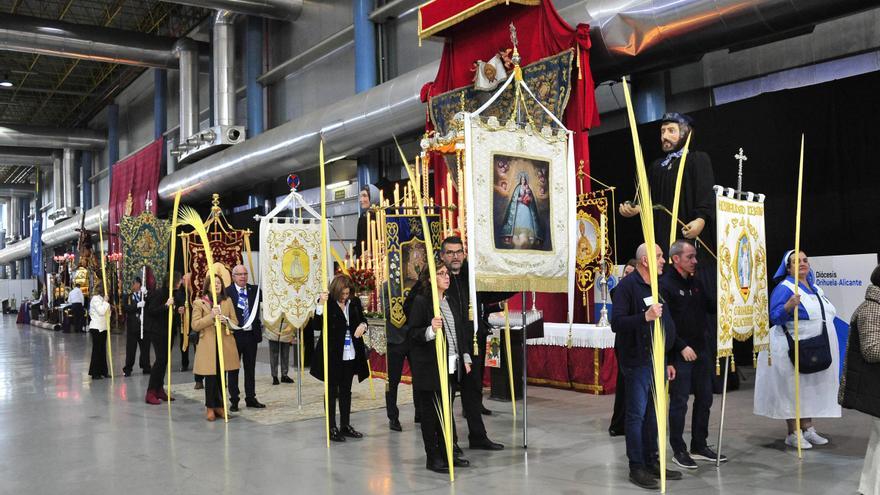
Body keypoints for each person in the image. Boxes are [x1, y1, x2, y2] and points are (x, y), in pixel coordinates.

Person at [611, 243, 682, 489]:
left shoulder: (657, 286)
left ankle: (653, 461)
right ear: (645, 260)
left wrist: (669, 359)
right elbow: (617, 323)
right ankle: (637, 466)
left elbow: (666, 324)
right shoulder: (626, 288)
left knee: (654, 414)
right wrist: (644, 317)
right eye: (660, 257)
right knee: (636, 415)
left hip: (658, 359)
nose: (664, 261)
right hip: (638, 361)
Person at [754, 250, 841, 448]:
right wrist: (788, 306)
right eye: (796, 262)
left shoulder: (816, 288)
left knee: (808, 388)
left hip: (814, 347)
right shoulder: (785, 289)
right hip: (791, 348)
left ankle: (807, 428)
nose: (802, 264)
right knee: (791, 390)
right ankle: (793, 432)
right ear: (788, 267)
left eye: (804, 260)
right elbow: (774, 318)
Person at [660, 240, 726, 467]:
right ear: (676, 258)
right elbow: (665, 323)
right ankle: (678, 449)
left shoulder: (696, 282)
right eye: (690, 257)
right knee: (679, 401)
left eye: (695, 256)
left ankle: (699, 444)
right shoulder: (665, 285)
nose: (695, 261)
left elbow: (710, 307)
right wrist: (680, 346)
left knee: (705, 398)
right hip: (679, 352)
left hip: (701, 349)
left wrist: (729, 298)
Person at [441, 235, 507, 450]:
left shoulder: (474, 275)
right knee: (448, 394)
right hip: (449, 344)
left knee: (473, 390)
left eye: (459, 251)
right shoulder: (438, 278)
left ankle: (477, 436)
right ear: (443, 256)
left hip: (473, 343)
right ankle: (449, 443)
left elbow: (491, 293)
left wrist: (519, 280)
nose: (455, 256)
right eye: (450, 252)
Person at [407, 265, 471, 473]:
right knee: (431, 414)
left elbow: (457, 332)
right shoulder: (422, 302)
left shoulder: (449, 301)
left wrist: (465, 357)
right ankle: (433, 457)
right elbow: (413, 333)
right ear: (430, 278)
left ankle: (448, 453)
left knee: (446, 411)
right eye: (441, 274)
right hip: (430, 367)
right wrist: (430, 330)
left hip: (451, 365)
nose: (447, 277)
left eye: (447, 274)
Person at [310, 274, 370, 442]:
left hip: (350, 353)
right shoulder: (327, 303)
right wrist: (320, 304)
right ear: (335, 291)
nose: (345, 297)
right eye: (342, 294)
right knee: (331, 391)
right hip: (332, 354)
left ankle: (345, 425)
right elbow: (316, 325)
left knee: (346, 390)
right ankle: (331, 427)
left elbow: (364, 320)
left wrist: (362, 326)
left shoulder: (354, 302)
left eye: (347, 294)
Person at [840, 265, 880, 495]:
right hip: (874, 387)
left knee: (878, 442)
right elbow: (872, 350)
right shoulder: (872, 309)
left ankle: (870, 488)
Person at [191, 274, 240, 421]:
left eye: (219, 283)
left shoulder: (227, 301)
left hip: (224, 344)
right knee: (210, 378)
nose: (217, 285)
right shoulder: (199, 303)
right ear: (208, 286)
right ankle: (210, 407)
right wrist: (211, 316)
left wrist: (225, 320)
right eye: (214, 283)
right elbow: (195, 325)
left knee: (220, 377)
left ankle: (220, 406)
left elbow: (235, 322)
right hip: (208, 346)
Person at [225, 264, 265, 410]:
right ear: (233, 276)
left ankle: (250, 397)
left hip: (251, 336)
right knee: (233, 368)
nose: (243, 277)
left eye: (245, 274)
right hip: (234, 336)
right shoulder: (227, 292)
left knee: (250, 368)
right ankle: (234, 400)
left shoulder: (254, 290)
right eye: (239, 274)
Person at [384, 278, 419, 431]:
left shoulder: (417, 284)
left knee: (419, 377)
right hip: (395, 338)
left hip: (414, 337)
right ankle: (393, 416)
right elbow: (387, 311)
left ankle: (420, 412)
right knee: (393, 381)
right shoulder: (387, 286)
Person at [609, 258, 639, 437]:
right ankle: (619, 423)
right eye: (624, 273)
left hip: (638, 344)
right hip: (624, 345)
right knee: (623, 386)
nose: (626, 276)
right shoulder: (619, 291)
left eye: (630, 273)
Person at [144, 274, 173, 405]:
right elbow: (152, 310)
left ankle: (159, 388)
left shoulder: (173, 293)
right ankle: (150, 391)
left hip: (168, 331)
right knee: (160, 360)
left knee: (164, 361)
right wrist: (166, 306)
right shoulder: (159, 293)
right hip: (157, 332)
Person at [500, 172, 543, 249]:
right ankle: (513, 236)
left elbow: (530, 198)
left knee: (527, 219)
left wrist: (528, 199)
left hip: (526, 206)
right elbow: (514, 197)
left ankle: (529, 236)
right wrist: (518, 199)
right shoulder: (518, 188)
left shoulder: (528, 188)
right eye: (522, 179)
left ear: (525, 180)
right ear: (520, 180)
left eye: (524, 179)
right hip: (519, 206)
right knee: (518, 220)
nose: (523, 180)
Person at [122, 277, 151, 377]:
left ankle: (146, 366)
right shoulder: (128, 296)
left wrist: (146, 294)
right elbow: (125, 308)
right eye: (133, 284)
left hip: (144, 326)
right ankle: (128, 369)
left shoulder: (144, 295)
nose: (134, 285)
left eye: (135, 283)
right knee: (131, 349)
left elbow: (151, 303)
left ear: (139, 284)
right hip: (132, 327)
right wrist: (137, 306)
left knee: (145, 348)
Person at [87, 280, 111, 380]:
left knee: (102, 350)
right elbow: (101, 311)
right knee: (97, 350)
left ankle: (103, 371)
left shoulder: (102, 299)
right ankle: (95, 372)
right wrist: (105, 302)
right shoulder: (95, 299)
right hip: (96, 328)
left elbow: (107, 313)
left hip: (103, 327)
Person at [170, 273, 191, 372]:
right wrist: (178, 309)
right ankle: (184, 363)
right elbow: (175, 306)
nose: (183, 281)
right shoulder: (178, 293)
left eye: (185, 279)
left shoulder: (195, 291)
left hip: (195, 320)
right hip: (183, 322)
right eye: (182, 279)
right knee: (183, 342)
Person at [264, 320, 294, 385]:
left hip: (287, 329)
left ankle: (284, 375)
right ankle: (274, 376)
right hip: (273, 329)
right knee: (274, 354)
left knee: (285, 354)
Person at [354, 184, 379, 258]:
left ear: (373, 196)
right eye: (360, 196)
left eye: (364, 196)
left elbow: (383, 241)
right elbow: (362, 241)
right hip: (363, 262)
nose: (361, 200)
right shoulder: (362, 217)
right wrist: (354, 250)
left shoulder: (381, 216)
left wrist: (371, 251)